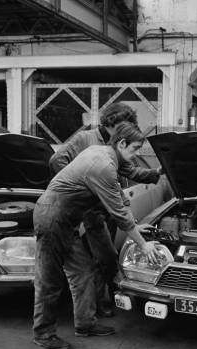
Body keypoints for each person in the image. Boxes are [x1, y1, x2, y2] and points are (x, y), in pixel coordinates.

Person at [33, 123, 160, 349]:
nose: (137, 153)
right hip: (52, 219)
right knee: (49, 280)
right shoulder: (102, 164)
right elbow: (119, 213)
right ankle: (43, 333)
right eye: (135, 148)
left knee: (83, 272)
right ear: (121, 143)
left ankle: (85, 325)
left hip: (66, 220)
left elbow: (119, 197)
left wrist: (136, 227)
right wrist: (143, 245)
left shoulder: (104, 155)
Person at [49, 103, 162, 318]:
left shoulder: (117, 146)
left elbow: (130, 171)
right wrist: (81, 192)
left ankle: (99, 304)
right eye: (122, 125)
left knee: (104, 259)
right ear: (110, 122)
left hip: (106, 211)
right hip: (88, 213)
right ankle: (93, 309)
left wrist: (156, 172)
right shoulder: (86, 139)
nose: (124, 130)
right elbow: (57, 161)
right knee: (95, 261)